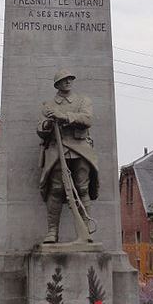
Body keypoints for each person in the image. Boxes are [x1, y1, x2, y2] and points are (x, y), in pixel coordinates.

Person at [38, 69, 99, 243]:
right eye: (64, 80)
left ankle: (86, 229)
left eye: (70, 79)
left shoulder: (83, 101)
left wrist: (63, 116)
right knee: (56, 189)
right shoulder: (49, 105)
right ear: (57, 84)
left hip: (80, 148)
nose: (68, 82)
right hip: (58, 149)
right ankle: (52, 232)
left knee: (82, 188)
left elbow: (87, 119)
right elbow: (40, 130)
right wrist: (48, 123)